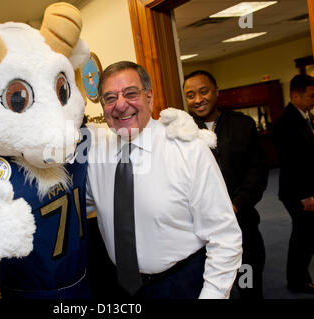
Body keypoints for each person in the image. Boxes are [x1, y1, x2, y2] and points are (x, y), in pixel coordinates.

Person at [86, 61, 243, 299]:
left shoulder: (189, 150)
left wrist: (212, 294)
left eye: (130, 93)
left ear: (149, 98)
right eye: (109, 98)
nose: (120, 105)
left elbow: (224, 236)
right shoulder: (97, 157)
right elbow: (76, 202)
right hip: (120, 286)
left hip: (184, 283)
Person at [183, 70, 269, 299]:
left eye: (204, 92)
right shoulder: (182, 133)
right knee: (212, 288)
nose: (198, 100)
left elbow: (257, 172)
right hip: (200, 233)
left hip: (243, 226)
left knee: (248, 284)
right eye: (190, 95)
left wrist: (236, 204)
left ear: (217, 91)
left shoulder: (243, 125)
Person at [272, 74, 314, 295]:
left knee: (308, 234)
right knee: (305, 235)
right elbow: (291, 162)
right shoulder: (285, 122)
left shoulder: (307, 117)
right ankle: (297, 281)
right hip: (297, 193)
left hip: (310, 189)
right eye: (312, 95)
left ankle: (297, 280)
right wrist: (304, 195)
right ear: (295, 95)